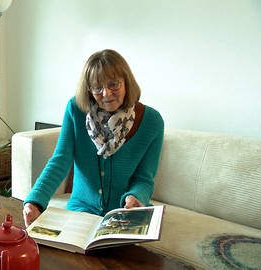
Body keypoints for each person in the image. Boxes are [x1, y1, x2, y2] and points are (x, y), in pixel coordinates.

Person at [23, 49, 164, 226]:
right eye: (97, 87)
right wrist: (34, 201)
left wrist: (135, 198)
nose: (106, 94)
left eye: (113, 84)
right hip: (81, 210)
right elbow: (60, 161)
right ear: (89, 90)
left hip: (125, 214)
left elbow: (144, 179)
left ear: (126, 82)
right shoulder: (75, 109)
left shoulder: (152, 121)